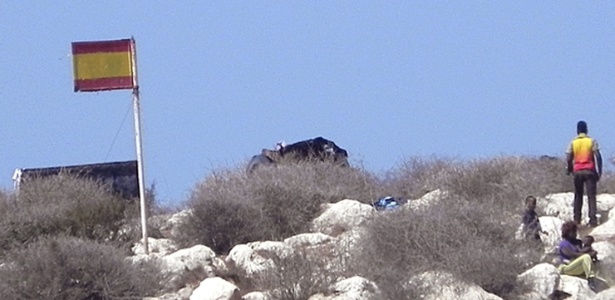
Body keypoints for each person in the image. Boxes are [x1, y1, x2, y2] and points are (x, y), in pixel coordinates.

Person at [566, 120, 602, 227]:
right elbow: (598, 156)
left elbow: (568, 157)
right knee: (591, 196)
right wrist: (599, 170)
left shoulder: (573, 142)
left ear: (577, 130)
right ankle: (593, 220)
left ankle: (577, 219)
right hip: (590, 170)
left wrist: (570, 168)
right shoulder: (591, 141)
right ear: (586, 130)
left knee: (578, 195)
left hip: (578, 171)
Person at [558, 221, 598, 291]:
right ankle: (591, 279)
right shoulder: (563, 244)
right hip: (567, 267)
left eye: (575, 231)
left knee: (590, 258)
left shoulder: (578, 242)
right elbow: (571, 254)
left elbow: (581, 251)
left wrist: (591, 251)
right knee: (586, 257)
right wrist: (588, 254)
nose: (575, 233)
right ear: (567, 232)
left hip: (577, 266)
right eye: (573, 231)